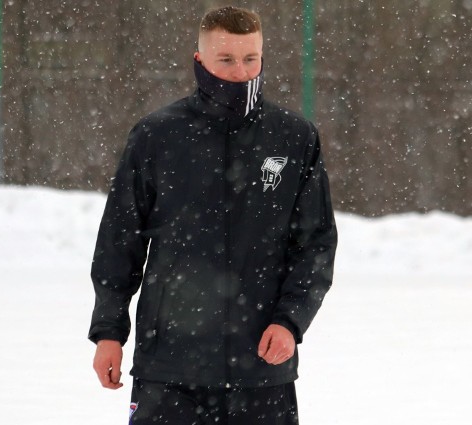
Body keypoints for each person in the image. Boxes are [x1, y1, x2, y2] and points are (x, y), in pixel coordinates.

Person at [89, 6, 337, 424]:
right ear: (200, 59)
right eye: (226, 59)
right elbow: (119, 241)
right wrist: (109, 332)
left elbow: (315, 243)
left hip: (261, 369)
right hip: (169, 369)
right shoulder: (156, 135)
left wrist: (291, 321)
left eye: (250, 58)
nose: (240, 71)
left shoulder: (294, 137)